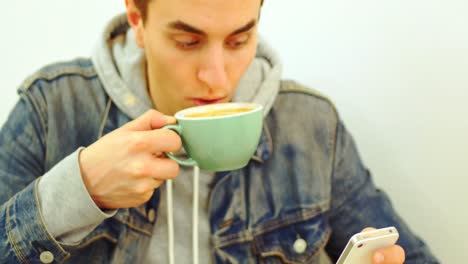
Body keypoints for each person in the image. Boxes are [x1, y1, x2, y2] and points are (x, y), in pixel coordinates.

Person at [0, 0, 439, 263]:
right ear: (136, 14)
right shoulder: (51, 109)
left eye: (239, 40)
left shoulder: (310, 125)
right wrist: (77, 192)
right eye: (188, 42)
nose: (217, 78)